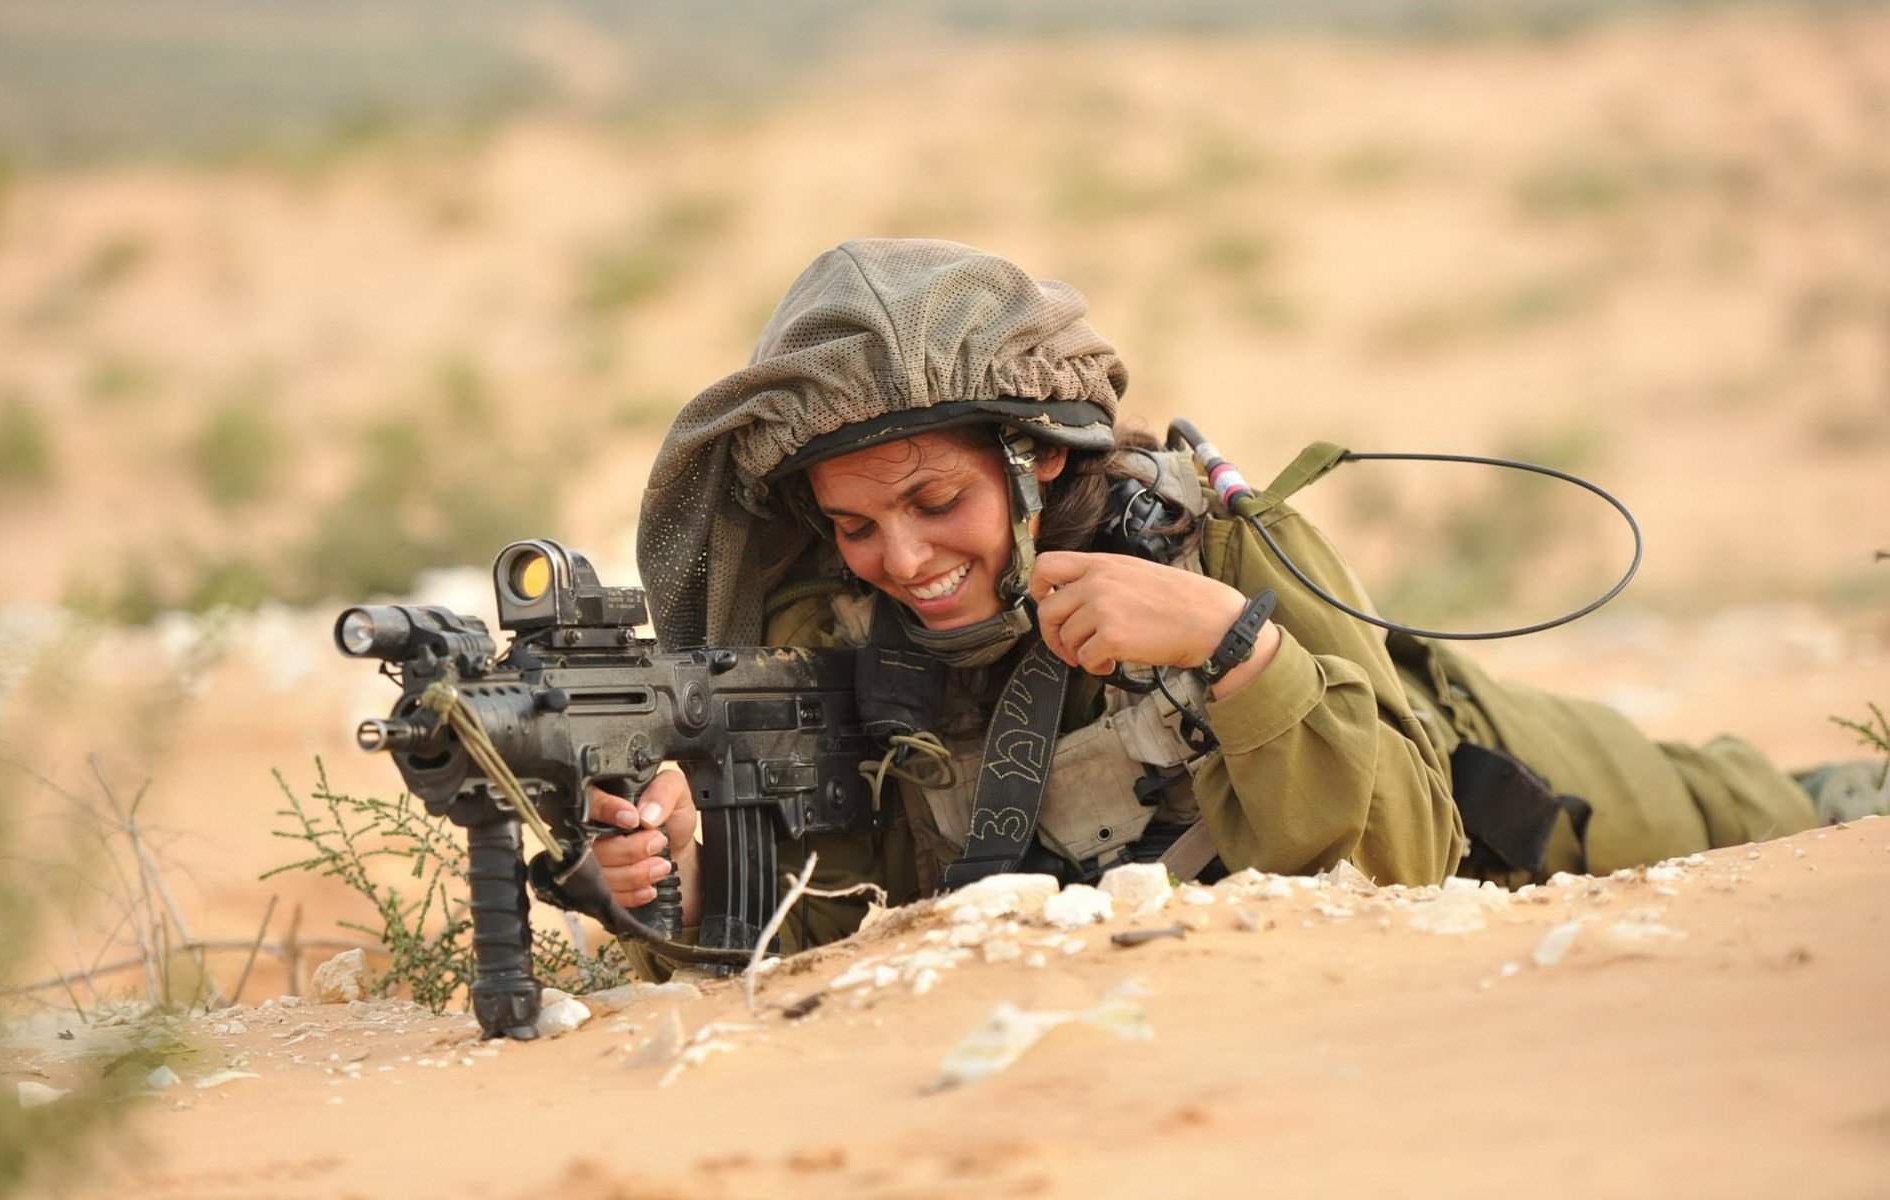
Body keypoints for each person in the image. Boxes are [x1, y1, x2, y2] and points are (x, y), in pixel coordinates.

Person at [588, 237, 1867, 972]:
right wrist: (685, 885)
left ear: (1035, 456)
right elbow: (847, 917)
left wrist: (1231, 647)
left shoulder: (1211, 542)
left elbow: (1403, 857)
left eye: (936, 502)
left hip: (1521, 791)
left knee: (1776, 808)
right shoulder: (839, 641)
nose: (902, 558)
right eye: (854, 524)